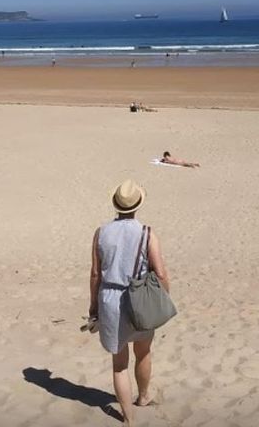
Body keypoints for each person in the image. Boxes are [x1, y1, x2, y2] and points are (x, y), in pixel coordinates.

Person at [89, 179, 169, 426]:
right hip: (139, 297)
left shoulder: (101, 232)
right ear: (137, 205)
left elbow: (95, 274)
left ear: (116, 205)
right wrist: (162, 298)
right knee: (143, 352)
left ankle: (128, 417)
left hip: (110, 299)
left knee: (119, 364)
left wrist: (93, 307)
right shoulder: (146, 232)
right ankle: (143, 397)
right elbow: (161, 272)